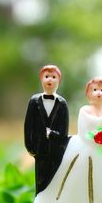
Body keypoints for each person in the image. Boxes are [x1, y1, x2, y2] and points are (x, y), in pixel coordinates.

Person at [24, 65, 69, 195]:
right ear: (41, 79)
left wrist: (53, 135)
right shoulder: (34, 101)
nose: (50, 79)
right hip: (40, 150)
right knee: (40, 181)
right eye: (47, 76)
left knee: (55, 181)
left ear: (58, 81)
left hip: (56, 151)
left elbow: (64, 131)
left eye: (53, 77)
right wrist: (30, 147)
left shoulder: (62, 103)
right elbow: (28, 126)